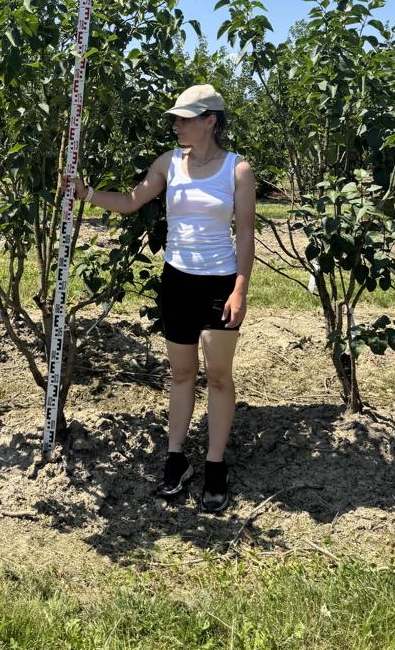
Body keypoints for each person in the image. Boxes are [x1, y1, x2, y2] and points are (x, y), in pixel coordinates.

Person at [71, 83, 255, 513]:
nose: (176, 125)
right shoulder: (168, 162)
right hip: (176, 281)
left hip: (219, 283)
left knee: (219, 376)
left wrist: (240, 290)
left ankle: (214, 465)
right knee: (181, 374)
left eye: (184, 119)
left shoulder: (237, 170)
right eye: (175, 119)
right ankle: (176, 460)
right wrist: (85, 193)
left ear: (210, 121)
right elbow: (133, 201)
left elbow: (245, 234)